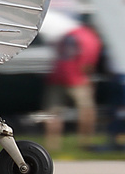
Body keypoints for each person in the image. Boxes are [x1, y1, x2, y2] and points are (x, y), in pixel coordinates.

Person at [43, 17, 102, 149]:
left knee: (53, 113)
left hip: (57, 75)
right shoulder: (90, 37)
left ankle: (52, 144)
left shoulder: (67, 35)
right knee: (87, 111)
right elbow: (88, 62)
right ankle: (85, 142)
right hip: (77, 77)